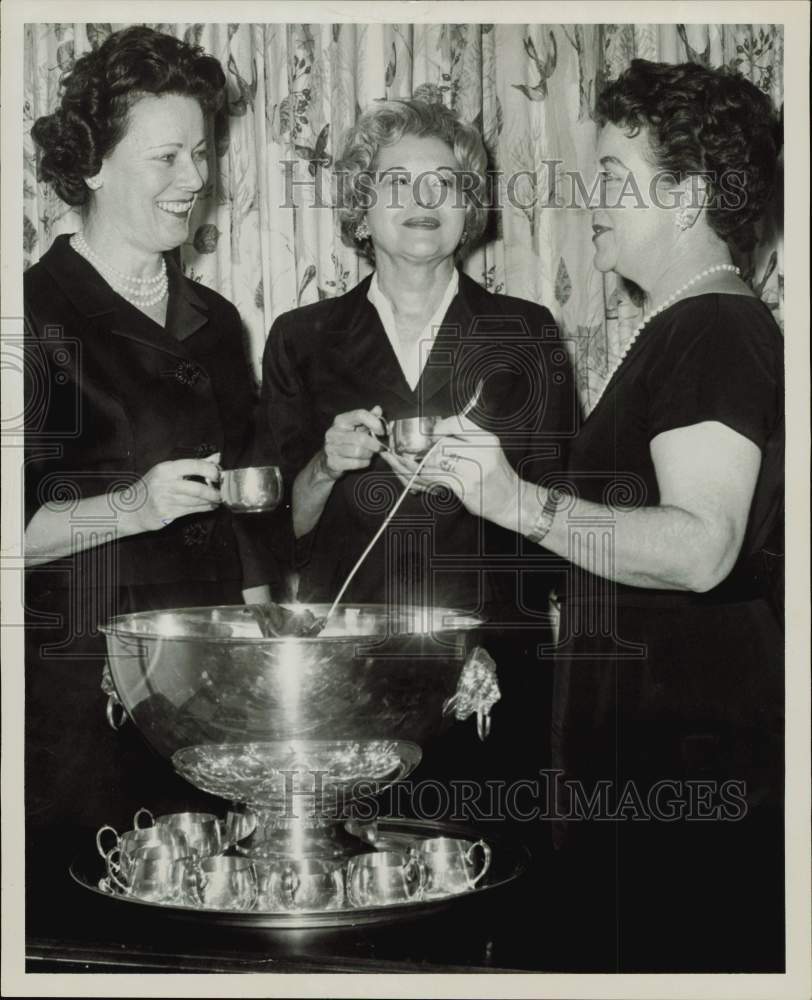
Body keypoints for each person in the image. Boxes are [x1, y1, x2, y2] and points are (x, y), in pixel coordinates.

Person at [417, 61, 784, 970]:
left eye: (616, 177)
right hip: (652, 765)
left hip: (686, 775)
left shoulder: (715, 331)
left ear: (691, 196)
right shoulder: (683, 327)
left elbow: (701, 547)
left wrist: (518, 500)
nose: (594, 200)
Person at [258, 99, 575, 809]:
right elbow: (274, 532)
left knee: (496, 884)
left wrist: (495, 646)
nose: (423, 200)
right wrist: (325, 465)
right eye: (397, 181)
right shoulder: (302, 338)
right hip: (351, 675)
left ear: (470, 208)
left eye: (446, 183)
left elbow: (560, 519)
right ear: (361, 208)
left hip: (492, 673)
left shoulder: (524, 333)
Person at [24, 27, 271, 890]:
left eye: (200, 154)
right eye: (166, 156)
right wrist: (134, 506)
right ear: (91, 164)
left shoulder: (216, 319)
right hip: (73, 698)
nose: (196, 181)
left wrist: (264, 665)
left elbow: (246, 522)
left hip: (205, 690)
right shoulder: (30, 315)